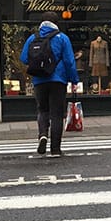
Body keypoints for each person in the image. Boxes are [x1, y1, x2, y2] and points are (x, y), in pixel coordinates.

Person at [20, 11, 80, 157]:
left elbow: (24, 58)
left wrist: (39, 64)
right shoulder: (62, 38)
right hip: (58, 80)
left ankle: (42, 135)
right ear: (56, 23)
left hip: (39, 80)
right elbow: (69, 62)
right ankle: (55, 149)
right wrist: (74, 80)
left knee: (42, 110)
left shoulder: (33, 38)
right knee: (57, 115)